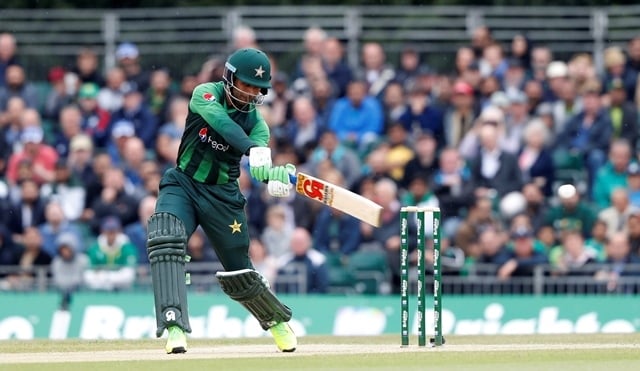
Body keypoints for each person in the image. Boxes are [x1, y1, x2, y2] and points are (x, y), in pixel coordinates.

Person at [146, 47, 297, 354]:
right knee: (165, 235)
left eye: (258, 89)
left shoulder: (258, 126)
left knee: (240, 271)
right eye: (246, 84)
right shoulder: (205, 94)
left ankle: (277, 321)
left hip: (223, 196)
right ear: (228, 78)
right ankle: (174, 327)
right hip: (183, 184)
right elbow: (222, 124)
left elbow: (260, 168)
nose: (251, 93)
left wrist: (275, 175)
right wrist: (252, 150)